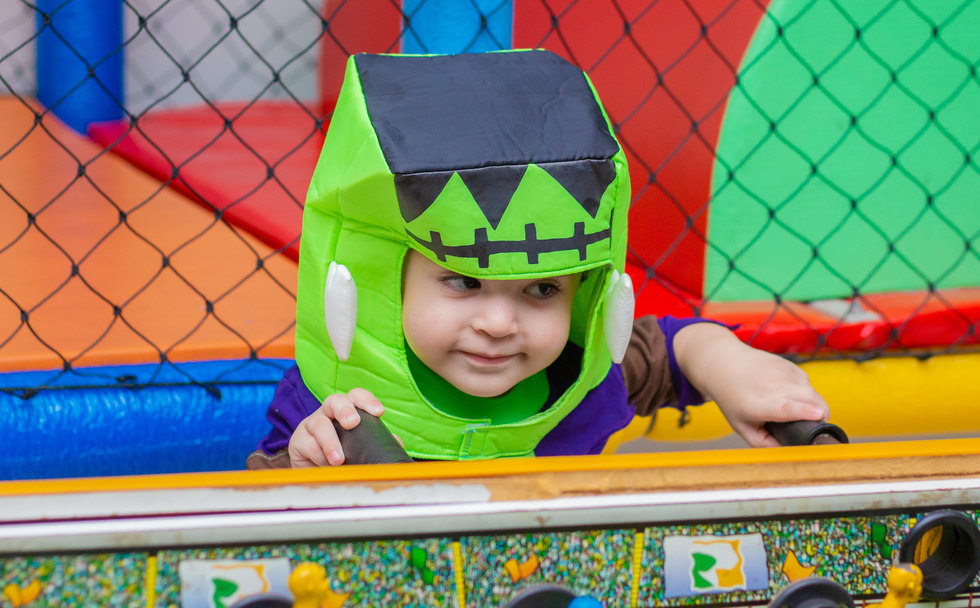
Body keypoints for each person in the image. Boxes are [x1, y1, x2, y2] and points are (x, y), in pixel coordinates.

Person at [247, 50, 828, 468]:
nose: (499, 324)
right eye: (462, 282)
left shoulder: (579, 378)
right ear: (383, 282)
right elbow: (260, 538)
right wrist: (304, 469)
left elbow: (671, 348)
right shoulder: (337, 403)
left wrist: (728, 366)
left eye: (543, 290)